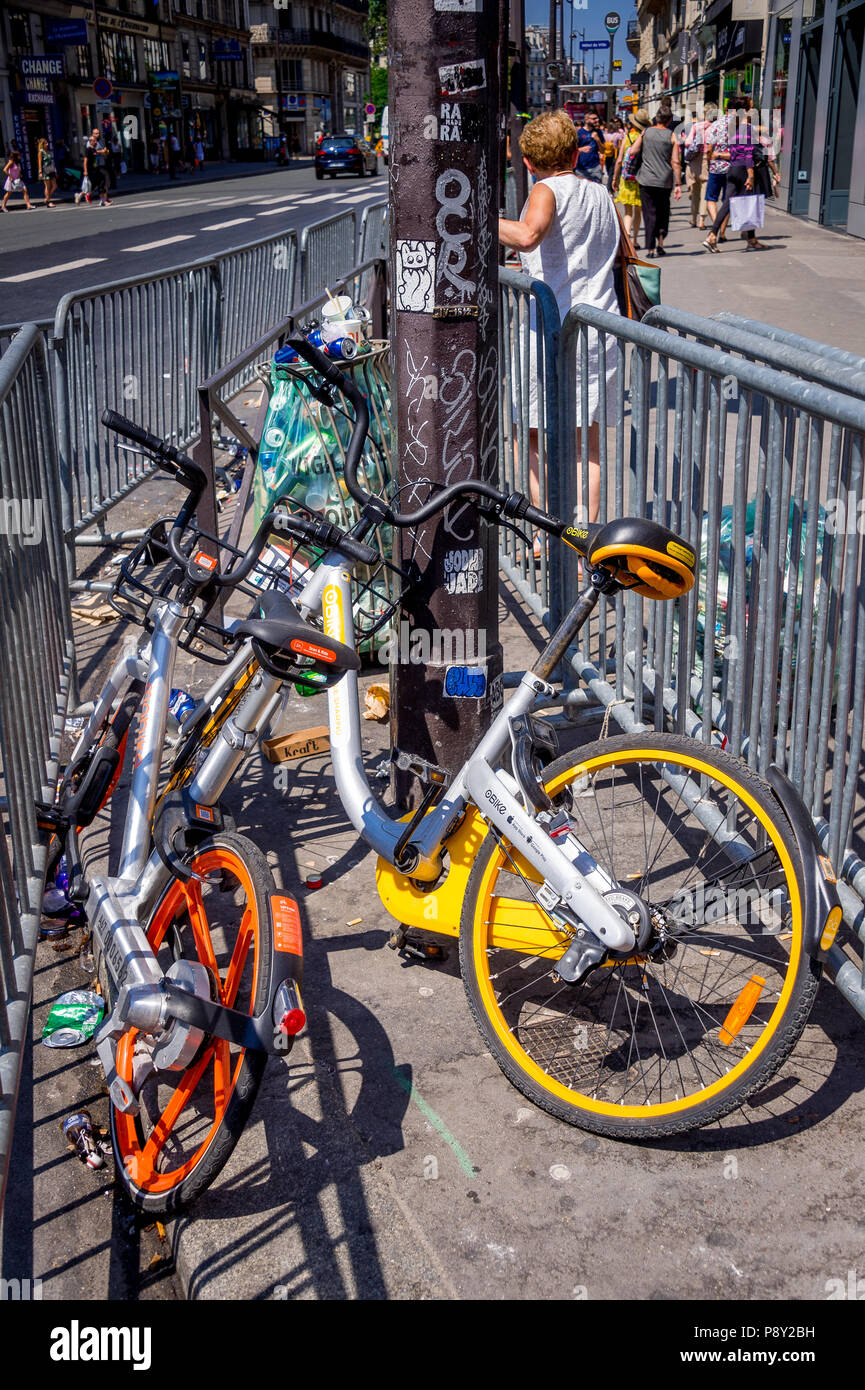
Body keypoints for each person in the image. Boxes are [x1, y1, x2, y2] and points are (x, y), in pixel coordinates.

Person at [497, 109, 620, 524]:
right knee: (588, 443)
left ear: (528, 163)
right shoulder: (601, 193)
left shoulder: (545, 190)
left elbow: (528, 236)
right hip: (600, 329)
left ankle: (545, 531)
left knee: (532, 436)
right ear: (573, 152)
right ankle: (583, 536)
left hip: (552, 330)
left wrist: (479, 216)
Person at [702, 99, 776, 252]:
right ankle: (751, 240)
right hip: (743, 170)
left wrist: (721, 157)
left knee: (729, 203)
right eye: (750, 107)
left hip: (733, 169)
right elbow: (748, 154)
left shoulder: (733, 128)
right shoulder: (746, 129)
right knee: (750, 203)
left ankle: (713, 236)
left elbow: (734, 152)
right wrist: (750, 175)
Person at [632, 112, 682, 256]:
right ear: (669, 120)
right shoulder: (672, 135)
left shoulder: (646, 132)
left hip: (646, 179)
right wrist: (678, 184)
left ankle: (650, 248)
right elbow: (676, 162)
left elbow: (633, 151)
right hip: (664, 181)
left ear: (656, 118)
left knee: (649, 214)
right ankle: (660, 243)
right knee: (663, 212)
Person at [611, 108, 649, 247]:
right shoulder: (645, 137)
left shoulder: (627, 138)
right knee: (638, 210)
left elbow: (620, 160)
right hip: (640, 177)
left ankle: (627, 236)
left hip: (626, 178)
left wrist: (614, 178)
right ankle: (635, 240)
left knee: (627, 211)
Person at [681, 104, 716, 230]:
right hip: (708, 160)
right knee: (704, 191)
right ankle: (702, 220)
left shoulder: (697, 126)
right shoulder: (714, 128)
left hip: (695, 160)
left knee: (695, 191)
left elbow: (688, 143)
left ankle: (693, 219)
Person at [80, 129, 111, 206]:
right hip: (95, 167)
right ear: (93, 134)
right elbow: (91, 154)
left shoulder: (99, 142)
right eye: (96, 133)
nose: (98, 135)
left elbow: (101, 152)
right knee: (101, 182)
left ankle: (102, 198)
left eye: (98, 133)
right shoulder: (89, 144)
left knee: (101, 183)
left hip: (101, 164)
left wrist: (105, 152)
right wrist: (85, 170)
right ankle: (103, 199)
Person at [576, 111, 604, 182]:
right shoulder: (578, 133)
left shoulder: (598, 132)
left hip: (595, 168)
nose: (597, 120)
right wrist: (580, 149)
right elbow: (571, 150)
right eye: (594, 119)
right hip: (581, 169)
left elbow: (602, 151)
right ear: (586, 120)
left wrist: (597, 140)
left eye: (597, 118)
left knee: (596, 191)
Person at [37, 138, 57, 208]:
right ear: (42, 144)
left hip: (51, 169)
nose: (47, 144)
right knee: (47, 186)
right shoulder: (41, 152)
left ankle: (47, 199)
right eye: (46, 143)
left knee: (54, 186)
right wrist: (40, 172)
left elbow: (51, 161)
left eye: (47, 143)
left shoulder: (47, 151)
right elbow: (39, 163)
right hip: (45, 170)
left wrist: (54, 169)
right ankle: (48, 202)